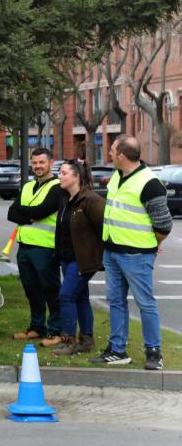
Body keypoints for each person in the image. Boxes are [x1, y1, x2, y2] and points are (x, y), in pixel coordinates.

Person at [92, 137, 171, 369]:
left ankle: (154, 353)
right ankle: (117, 350)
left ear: (122, 156)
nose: (109, 152)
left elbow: (164, 225)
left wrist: (151, 243)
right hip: (113, 251)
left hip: (137, 255)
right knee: (115, 302)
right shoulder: (117, 176)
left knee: (145, 303)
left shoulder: (150, 183)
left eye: (112, 150)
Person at [8, 148, 64, 347]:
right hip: (25, 247)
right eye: (35, 162)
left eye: (42, 162)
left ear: (51, 162)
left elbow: (42, 211)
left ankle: (56, 330)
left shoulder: (58, 187)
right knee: (31, 289)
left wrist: (26, 214)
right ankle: (37, 327)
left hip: (45, 248)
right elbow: (11, 213)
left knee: (51, 289)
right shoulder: (27, 186)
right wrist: (28, 215)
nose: (38, 166)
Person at [52, 159, 104, 356]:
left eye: (64, 173)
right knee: (81, 298)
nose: (60, 176)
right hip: (66, 257)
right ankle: (87, 340)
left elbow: (104, 230)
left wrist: (99, 256)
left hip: (82, 260)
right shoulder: (66, 199)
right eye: (60, 172)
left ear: (76, 177)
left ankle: (69, 341)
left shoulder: (91, 200)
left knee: (66, 296)